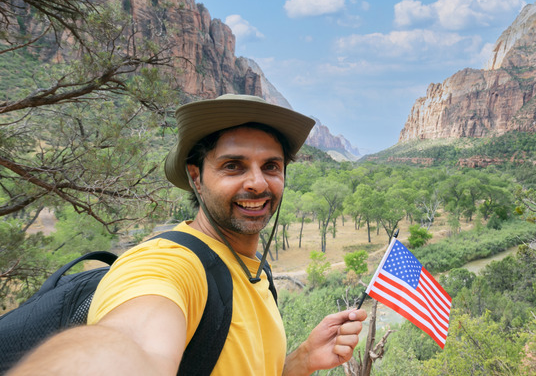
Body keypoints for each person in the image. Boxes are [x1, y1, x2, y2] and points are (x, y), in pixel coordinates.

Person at [9, 94, 367, 376]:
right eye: (233, 166)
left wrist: (302, 360)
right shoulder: (169, 264)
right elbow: (131, 341)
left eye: (271, 166)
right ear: (196, 177)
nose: (258, 182)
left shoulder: (256, 269)